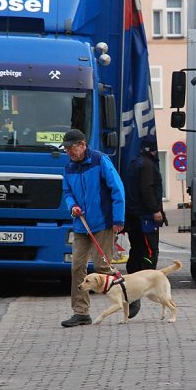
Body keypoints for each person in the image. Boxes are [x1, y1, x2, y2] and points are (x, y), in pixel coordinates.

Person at [60, 129, 126, 327]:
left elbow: (117, 188)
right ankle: (81, 312)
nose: (69, 152)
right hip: (81, 224)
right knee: (77, 267)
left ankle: (127, 294)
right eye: (66, 149)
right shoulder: (69, 167)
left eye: (71, 148)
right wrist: (72, 206)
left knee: (102, 267)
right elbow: (67, 191)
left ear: (82, 144)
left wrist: (118, 219)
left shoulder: (100, 161)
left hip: (103, 223)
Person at [123, 133, 166, 319]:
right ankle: (145, 282)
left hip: (132, 216)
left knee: (136, 249)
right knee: (149, 252)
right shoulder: (148, 166)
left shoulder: (133, 163)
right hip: (146, 217)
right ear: (152, 149)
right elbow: (147, 189)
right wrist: (155, 209)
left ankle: (131, 279)